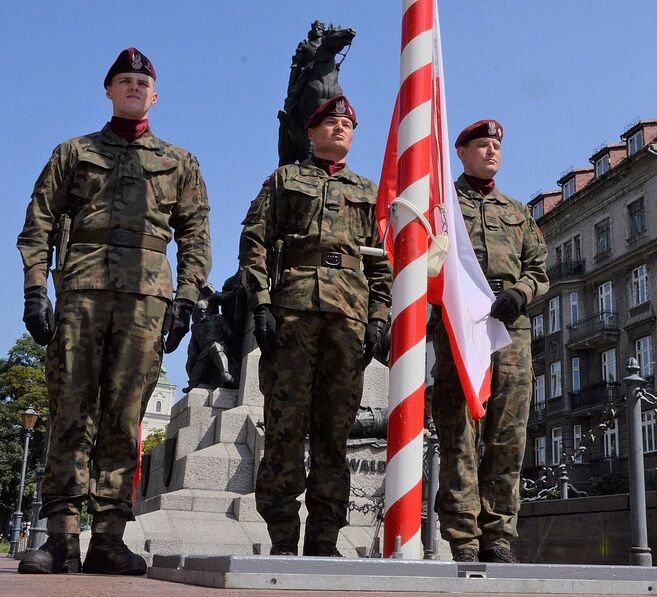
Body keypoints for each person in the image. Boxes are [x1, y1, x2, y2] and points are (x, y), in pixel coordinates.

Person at [16, 47, 211, 575]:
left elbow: (195, 237)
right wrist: (36, 289)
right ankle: (59, 538)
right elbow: (38, 225)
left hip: (147, 301)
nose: (133, 88)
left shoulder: (180, 162)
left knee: (127, 418)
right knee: (70, 412)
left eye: (142, 83)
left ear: (156, 94)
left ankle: (108, 537)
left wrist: (187, 299)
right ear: (108, 91)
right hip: (81, 292)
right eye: (123, 81)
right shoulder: (73, 153)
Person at [240, 94, 391, 557]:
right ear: (311, 131)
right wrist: (262, 304)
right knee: (284, 428)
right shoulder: (285, 181)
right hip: (292, 316)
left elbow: (383, 263)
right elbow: (254, 242)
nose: (340, 129)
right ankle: (283, 536)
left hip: (347, 323)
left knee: (335, 433)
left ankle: (325, 539)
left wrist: (378, 319)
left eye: (347, 124)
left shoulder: (370, 191)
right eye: (330, 123)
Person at [430, 119, 548, 563]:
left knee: (508, 434)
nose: (491, 152)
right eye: (481, 145)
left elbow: (539, 270)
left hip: (510, 329)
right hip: (460, 324)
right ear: (461, 153)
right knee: (459, 431)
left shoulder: (518, 213)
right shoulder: (443, 206)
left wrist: (521, 293)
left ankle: (498, 537)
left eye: (496, 145)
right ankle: (463, 538)